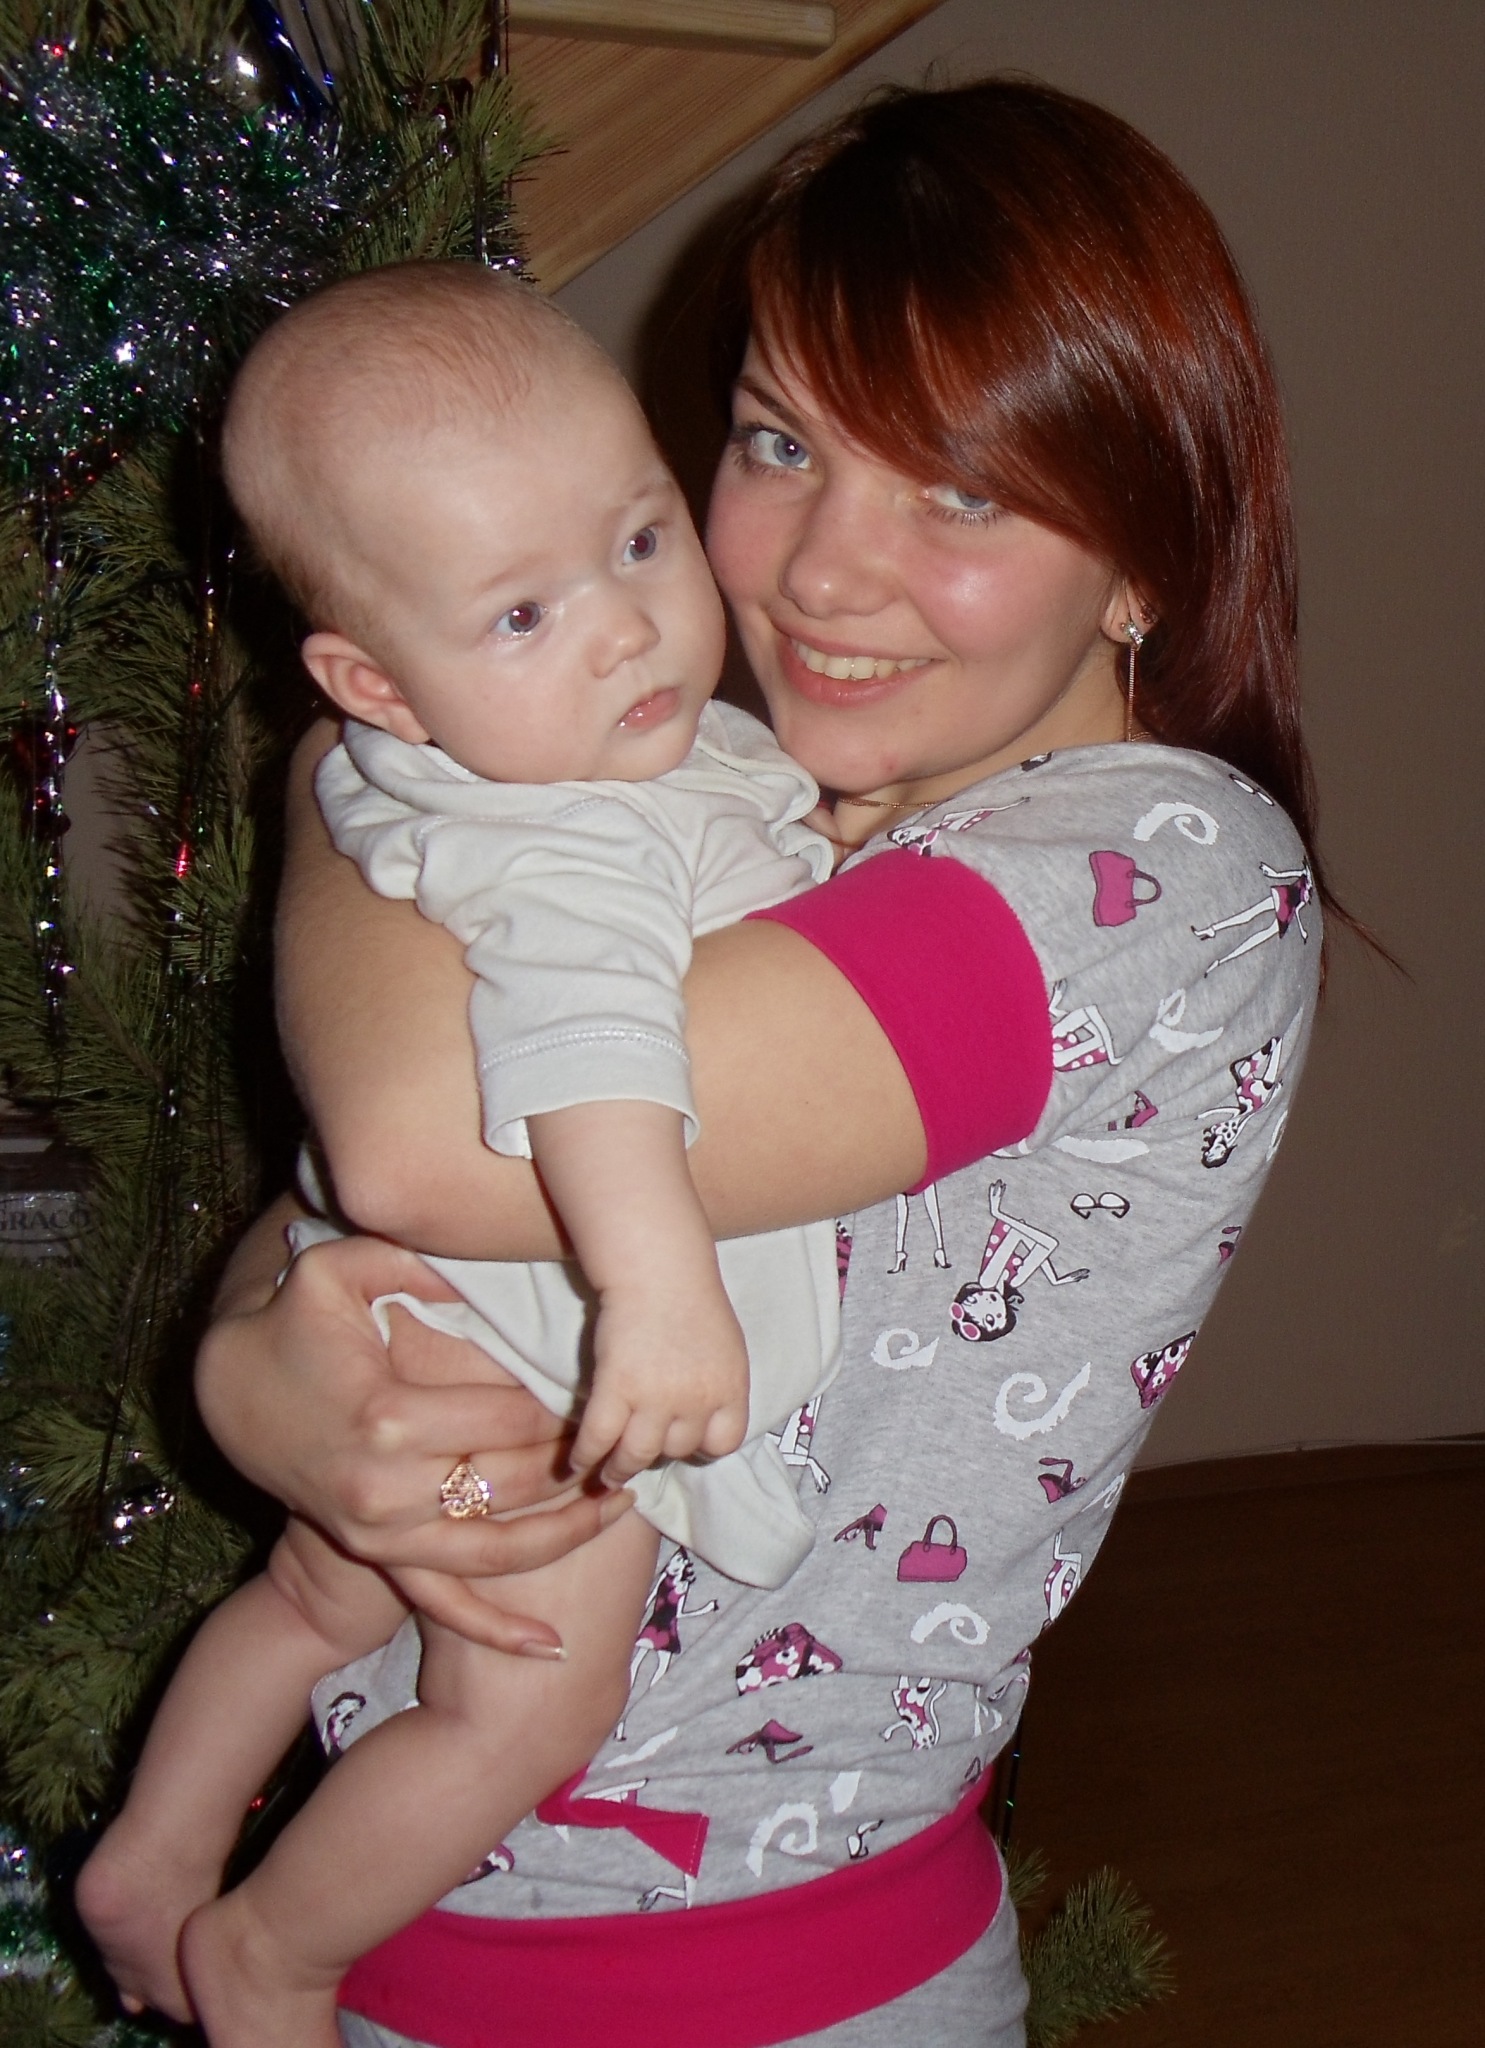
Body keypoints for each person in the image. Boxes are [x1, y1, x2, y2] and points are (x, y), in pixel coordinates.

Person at [143, 75, 1339, 2048]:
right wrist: (251, 1357)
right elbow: (390, 1221)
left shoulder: (1148, 876)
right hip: (409, 1939)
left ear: (1142, 551)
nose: (819, 571)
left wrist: (355, 771)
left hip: (767, 1983)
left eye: (958, 489)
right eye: (780, 442)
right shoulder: (739, 804)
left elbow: (429, 1138)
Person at [77, 266, 849, 2048]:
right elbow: (589, 1044)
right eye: (519, 612)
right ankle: (275, 1956)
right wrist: (658, 1292)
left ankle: (154, 1851)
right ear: (374, 681)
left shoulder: (454, 762)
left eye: (639, 541)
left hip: (418, 1311)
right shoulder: (572, 829)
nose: (623, 631)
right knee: (528, 1702)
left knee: (313, 1589)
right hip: (531, 1338)